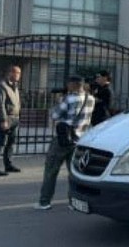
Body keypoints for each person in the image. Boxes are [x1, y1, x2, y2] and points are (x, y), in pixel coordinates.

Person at [35, 76, 95, 210]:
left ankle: (44, 202)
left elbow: (54, 115)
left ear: (73, 85)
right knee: (74, 173)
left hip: (62, 140)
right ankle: (74, 202)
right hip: (79, 140)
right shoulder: (91, 99)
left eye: (68, 84)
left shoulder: (69, 99)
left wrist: (59, 101)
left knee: (51, 170)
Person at [0, 65, 22, 177]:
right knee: (0, 142)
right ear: (10, 73)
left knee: (11, 143)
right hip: (6, 118)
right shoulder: (2, 86)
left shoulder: (15, 86)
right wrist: (3, 120)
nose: (19, 75)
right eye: (17, 73)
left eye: (19, 73)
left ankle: (8, 164)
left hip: (15, 118)